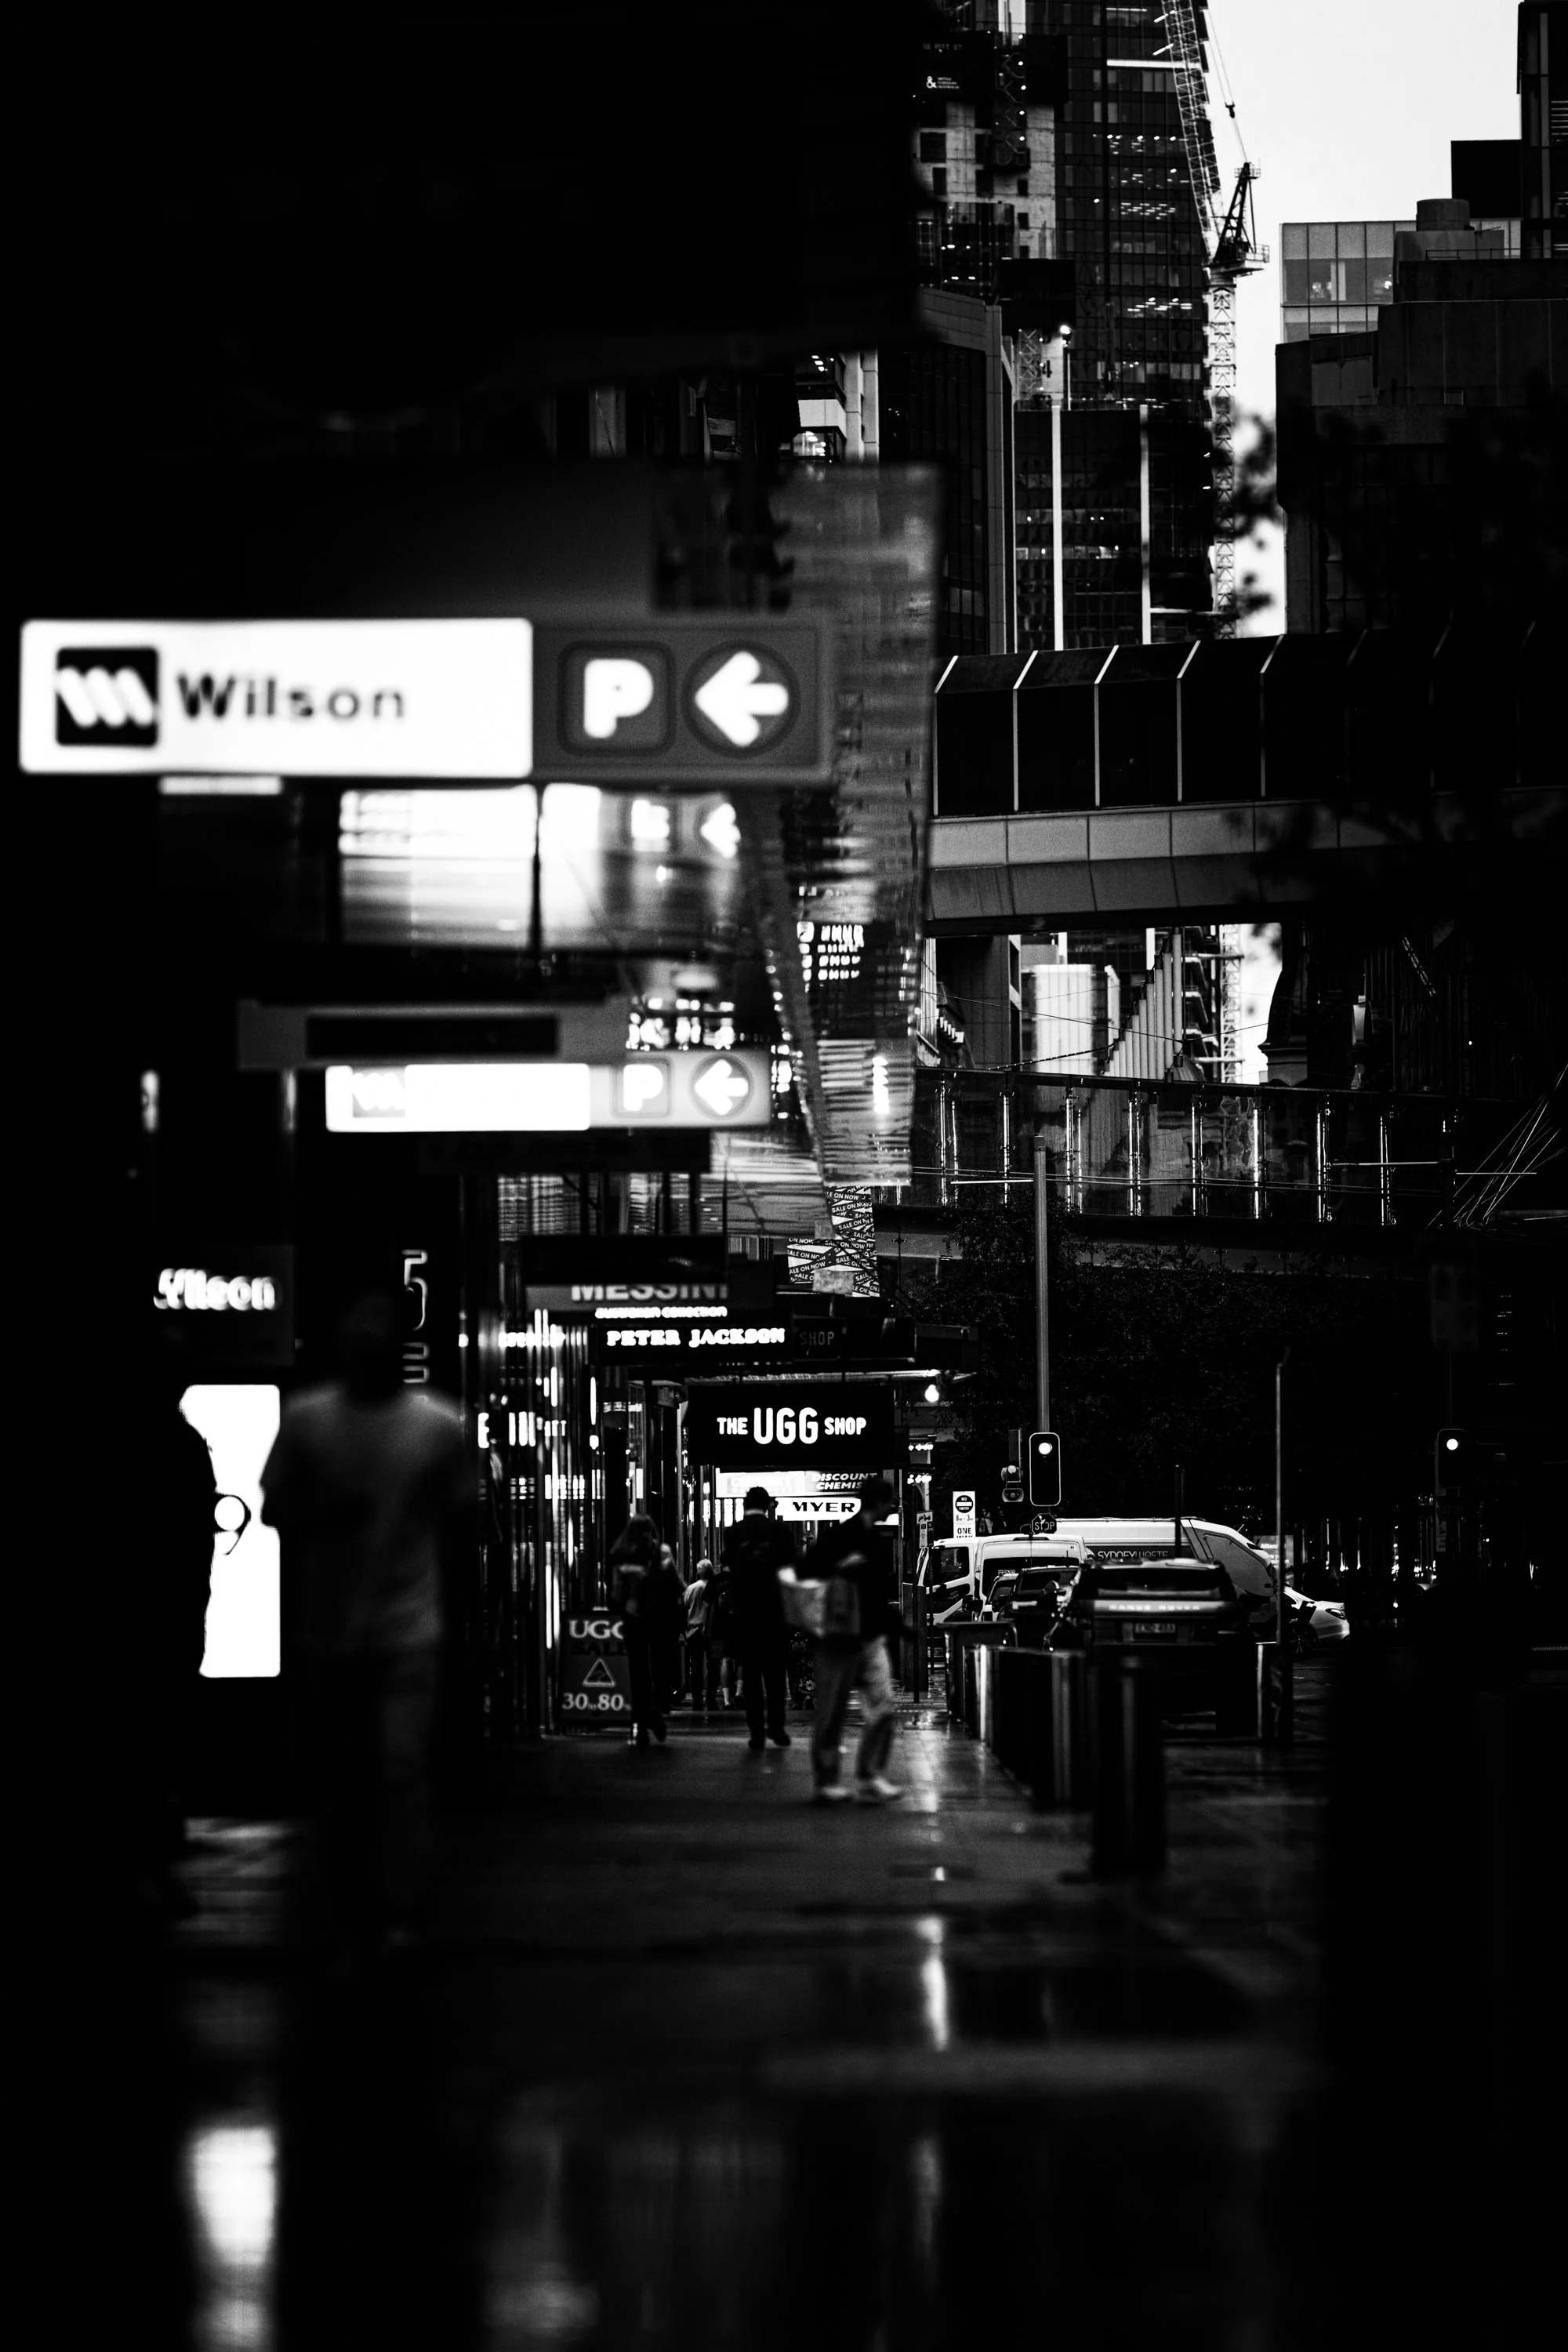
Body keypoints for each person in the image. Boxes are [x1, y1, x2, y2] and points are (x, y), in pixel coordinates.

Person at [260, 1286, 472, 1970]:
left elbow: (461, 1526)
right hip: (329, 1629)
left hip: (408, 1626)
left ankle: (393, 1906)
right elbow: (276, 1508)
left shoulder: (439, 1425)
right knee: (347, 1776)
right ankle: (358, 1902)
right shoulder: (307, 1419)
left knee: (398, 1768)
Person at [104, 1338, 219, 1913]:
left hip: (139, 1618)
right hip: (168, 1618)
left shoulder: (131, 1445)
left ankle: (131, 1864)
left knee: (132, 1740)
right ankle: (143, 1860)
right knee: (157, 1739)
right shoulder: (182, 1445)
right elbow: (197, 1541)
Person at [804, 1475, 904, 1805]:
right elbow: (808, 1570)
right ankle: (830, 1778)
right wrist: (841, 1568)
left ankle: (869, 1775)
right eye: (890, 1500)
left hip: (868, 1636)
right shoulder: (842, 1537)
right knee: (832, 1710)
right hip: (840, 1636)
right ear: (879, 1502)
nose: (893, 1506)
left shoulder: (872, 1538)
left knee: (884, 1704)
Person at [721, 1486, 797, 1750]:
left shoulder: (733, 1533)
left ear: (745, 1505)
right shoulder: (781, 1533)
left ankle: (756, 1732)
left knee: (750, 1675)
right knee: (775, 1675)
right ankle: (776, 1728)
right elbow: (791, 1570)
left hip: (745, 1615)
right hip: (775, 1615)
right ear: (768, 1505)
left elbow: (728, 1564)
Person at [609, 1513, 683, 1747]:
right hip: (660, 1618)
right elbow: (678, 1586)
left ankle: (642, 1715)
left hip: (633, 1617)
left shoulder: (620, 1555)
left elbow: (616, 1593)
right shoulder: (662, 1552)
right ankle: (656, 1711)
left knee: (638, 1669)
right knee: (661, 1666)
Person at [705, 1551, 740, 1711]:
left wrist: (706, 1625)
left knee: (725, 1660)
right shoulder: (742, 1579)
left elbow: (708, 1605)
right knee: (741, 1659)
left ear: (721, 1563)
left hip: (720, 1625)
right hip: (739, 1624)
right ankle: (739, 1692)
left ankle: (727, 1700)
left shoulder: (715, 1580)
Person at [684, 1559, 720, 1709]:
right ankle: (711, 1697)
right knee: (713, 1665)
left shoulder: (691, 1588)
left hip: (693, 1631)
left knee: (696, 1666)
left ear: (698, 1572)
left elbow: (684, 1606)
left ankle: (697, 1698)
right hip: (710, 1630)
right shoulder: (714, 1587)